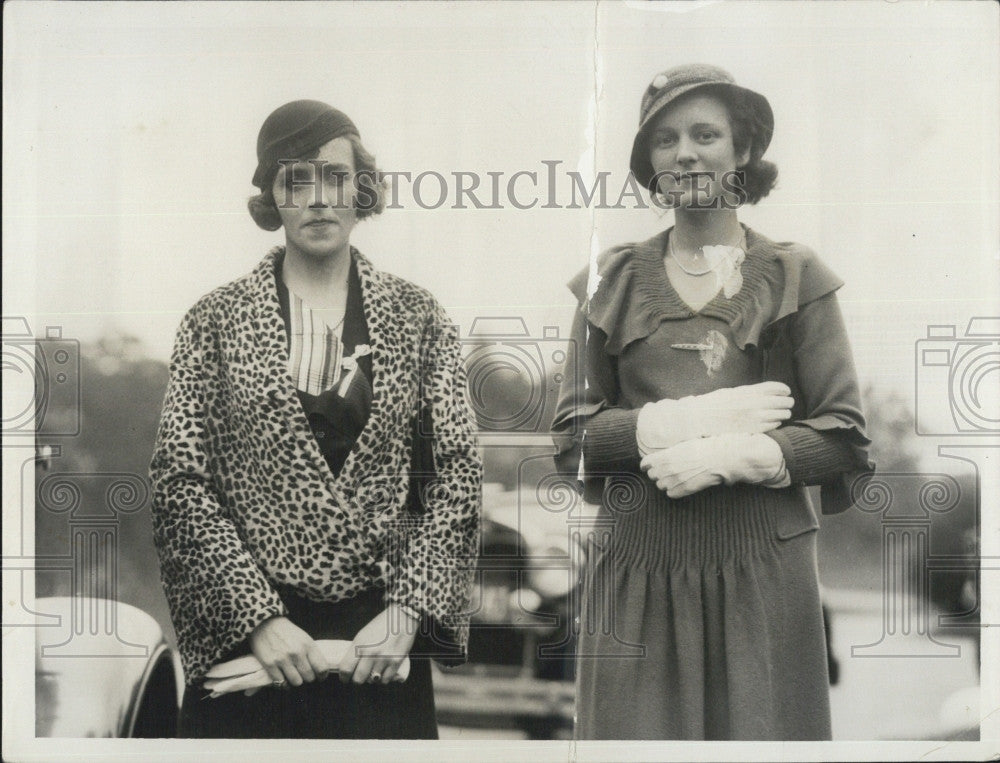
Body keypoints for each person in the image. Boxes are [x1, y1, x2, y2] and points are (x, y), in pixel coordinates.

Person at [552, 64, 873, 740]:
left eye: (706, 133)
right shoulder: (610, 279)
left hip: (763, 576)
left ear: (745, 149)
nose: (686, 152)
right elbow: (571, 440)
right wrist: (683, 422)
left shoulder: (795, 275)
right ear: (651, 165)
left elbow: (844, 436)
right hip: (636, 575)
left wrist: (744, 453)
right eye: (665, 140)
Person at [150, 100, 482, 738]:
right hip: (250, 646)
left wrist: (407, 614)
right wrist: (259, 621)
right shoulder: (213, 320)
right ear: (272, 196)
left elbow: (456, 471)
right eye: (295, 180)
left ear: (362, 191)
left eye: (335, 177)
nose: (319, 198)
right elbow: (178, 481)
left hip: (379, 644)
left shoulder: (419, 316)